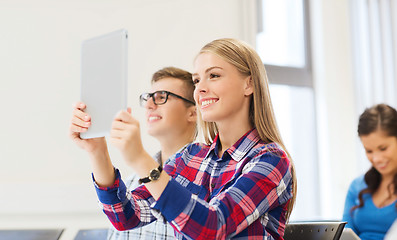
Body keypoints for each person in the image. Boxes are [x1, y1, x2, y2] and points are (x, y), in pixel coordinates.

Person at [70, 38, 297, 240]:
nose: (200, 89)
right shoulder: (190, 157)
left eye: (214, 76)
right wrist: (97, 151)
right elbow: (125, 217)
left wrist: (140, 159)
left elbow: (212, 228)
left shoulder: (270, 160)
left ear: (249, 84)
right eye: (197, 80)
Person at [70, 67, 197, 239]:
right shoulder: (130, 185)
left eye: (161, 97)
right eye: (148, 98)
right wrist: (96, 149)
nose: (149, 105)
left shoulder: (206, 180)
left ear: (193, 113)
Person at [342, 104, 397, 240]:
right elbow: (345, 233)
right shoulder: (357, 186)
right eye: (369, 151)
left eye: (383, 148)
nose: (377, 159)